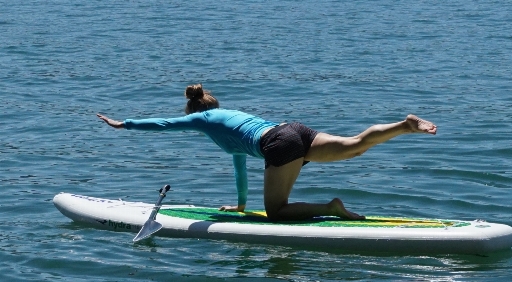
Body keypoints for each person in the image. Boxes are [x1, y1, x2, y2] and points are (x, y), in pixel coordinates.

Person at [97, 84, 437, 221]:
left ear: (194, 109)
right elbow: (239, 167)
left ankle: (331, 208)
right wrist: (241, 206)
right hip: (293, 131)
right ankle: (402, 126)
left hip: (278, 144)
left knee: (276, 211)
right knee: (353, 146)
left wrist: (123, 124)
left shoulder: (202, 119)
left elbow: (165, 124)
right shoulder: (231, 121)